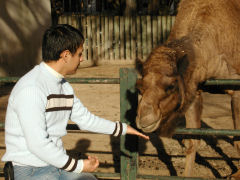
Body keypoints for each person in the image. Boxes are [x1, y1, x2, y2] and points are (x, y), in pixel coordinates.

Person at [1, 24, 149, 180]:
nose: (82, 59)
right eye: (79, 54)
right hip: (30, 169)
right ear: (65, 55)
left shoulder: (64, 86)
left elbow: (86, 120)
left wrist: (123, 128)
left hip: (56, 164)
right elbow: (37, 144)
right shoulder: (31, 88)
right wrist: (79, 166)